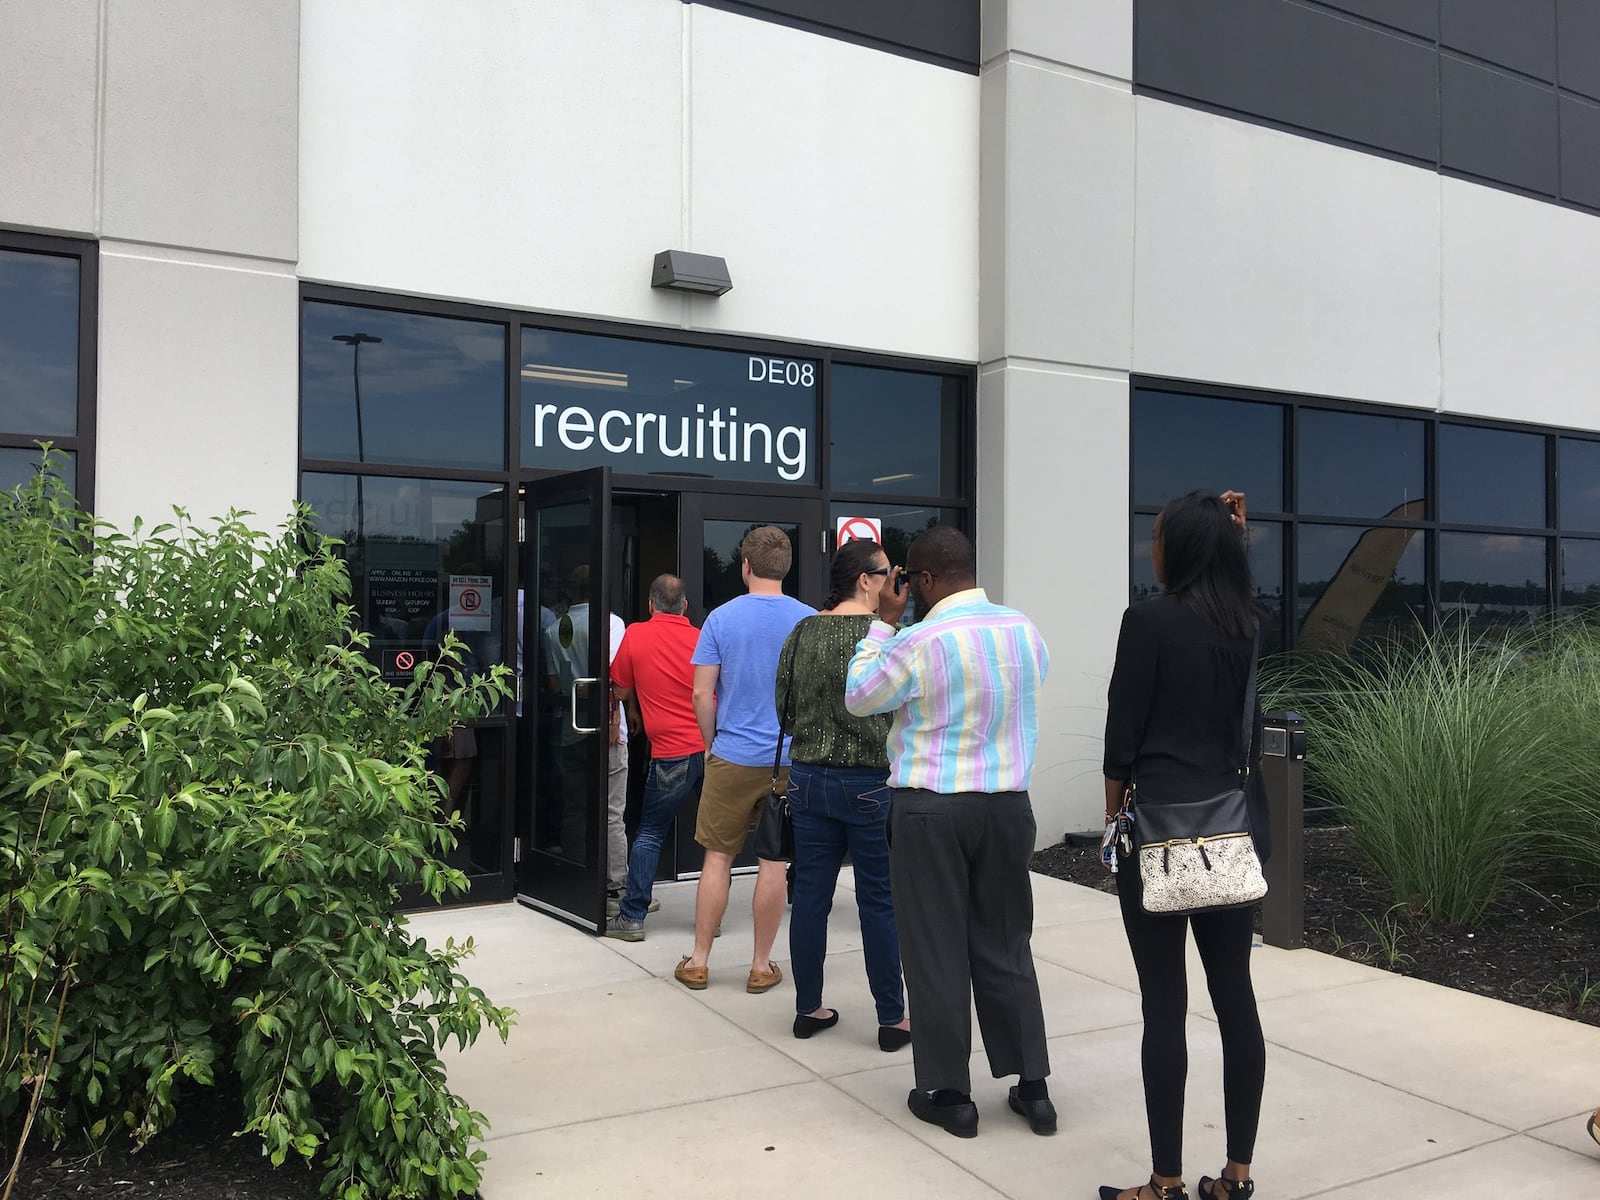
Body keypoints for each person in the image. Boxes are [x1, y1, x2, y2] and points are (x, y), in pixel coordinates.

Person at [845, 525, 1054, 1139]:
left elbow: (860, 696)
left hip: (931, 806)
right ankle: (1032, 1087)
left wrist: (882, 624)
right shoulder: (1024, 630)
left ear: (927, 580)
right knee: (1007, 942)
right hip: (1007, 806)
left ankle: (949, 1094)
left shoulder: (916, 639)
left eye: (908, 578)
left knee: (935, 948)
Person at [1097, 489, 1267, 1200]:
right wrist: (1237, 535)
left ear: (1179, 549)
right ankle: (1236, 1175)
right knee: (1235, 1000)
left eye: (1159, 535)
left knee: (1164, 1006)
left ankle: (1163, 1181)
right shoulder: (1248, 624)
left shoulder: (1148, 621)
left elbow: (1121, 737)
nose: (1152, 546)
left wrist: (1113, 825)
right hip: (1230, 824)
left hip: (1161, 829)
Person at [775, 539, 911, 1051]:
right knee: (879, 901)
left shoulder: (803, 630)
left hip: (808, 776)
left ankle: (808, 1008)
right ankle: (891, 1018)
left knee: (810, 898)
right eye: (887, 575)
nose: (893, 586)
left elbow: (783, 709)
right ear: (865, 580)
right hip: (871, 782)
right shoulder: (888, 637)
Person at [674, 527, 813, 993]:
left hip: (732, 754)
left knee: (717, 858)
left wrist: (710, 743)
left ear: (746, 566)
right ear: (786, 567)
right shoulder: (809, 620)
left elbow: (701, 693)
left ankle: (698, 960)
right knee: (773, 863)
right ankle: (759, 965)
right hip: (789, 759)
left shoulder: (720, 619)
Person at [604, 574, 704, 939]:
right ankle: (712, 916)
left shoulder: (635, 635)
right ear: (685, 607)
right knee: (717, 839)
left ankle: (632, 917)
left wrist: (636, 705)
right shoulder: (701, 638)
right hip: (712, 749)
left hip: (670, 752)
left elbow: (620, 686)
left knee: (649, 832)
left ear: (650, 605)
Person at [544, 564, 629, 904]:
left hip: (572, 728)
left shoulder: (555, 628)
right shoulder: (612, 623)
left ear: (572, 591)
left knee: (575, 808)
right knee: (611, 811)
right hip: (608, 730)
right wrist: (612, 719)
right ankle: (615, 885)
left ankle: (575, 873)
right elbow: (615, 679)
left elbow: (557, 684)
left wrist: (577, 690)